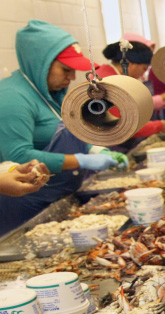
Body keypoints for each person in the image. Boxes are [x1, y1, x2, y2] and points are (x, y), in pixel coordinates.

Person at [0, 20, 126, 235]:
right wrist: (81, 160)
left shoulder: (50, 94)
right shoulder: (12, 98)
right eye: (66, 70)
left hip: (57, 197)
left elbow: (65, 130)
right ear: (39, 63)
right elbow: (19, 155)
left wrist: (92, 148)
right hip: (27, 206)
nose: (71, 78)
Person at [96, 41, 165, 150]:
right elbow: (122, 125)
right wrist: (159, 126)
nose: (143, 74)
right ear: (131, 64)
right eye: (144, 69)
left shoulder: (110, 75)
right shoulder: (108, 82)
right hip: (111, 144)